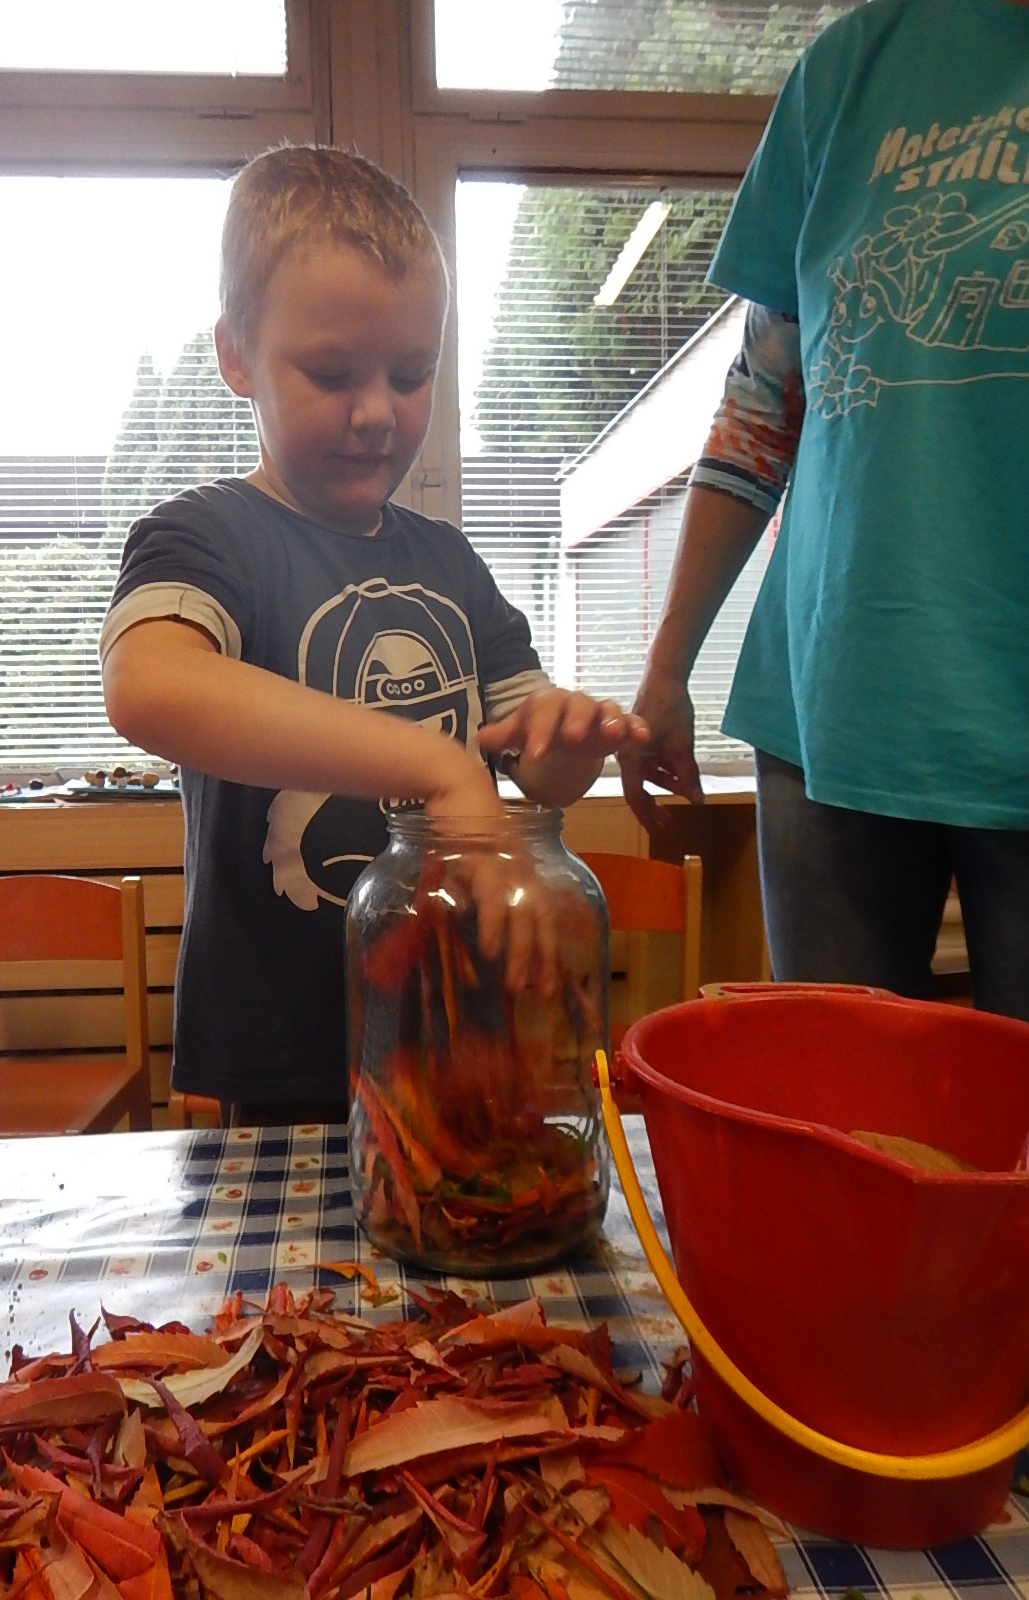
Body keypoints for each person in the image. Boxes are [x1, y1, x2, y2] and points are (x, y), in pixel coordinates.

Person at [101, 144, 645, 1122]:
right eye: (332, 372)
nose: (377, 413)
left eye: (412, 374)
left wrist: (567, 740)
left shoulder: (451, 562)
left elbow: (536, 768)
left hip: (451, 1032)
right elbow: (149, 685)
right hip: (281, 1055)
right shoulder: (208, 537)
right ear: (237, 356)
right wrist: (437, 767)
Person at [618, 0, 1029, 1020]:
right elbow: (764, 397)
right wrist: (667, 665)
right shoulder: (846, 70)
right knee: (833, 1101)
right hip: (825, 712)